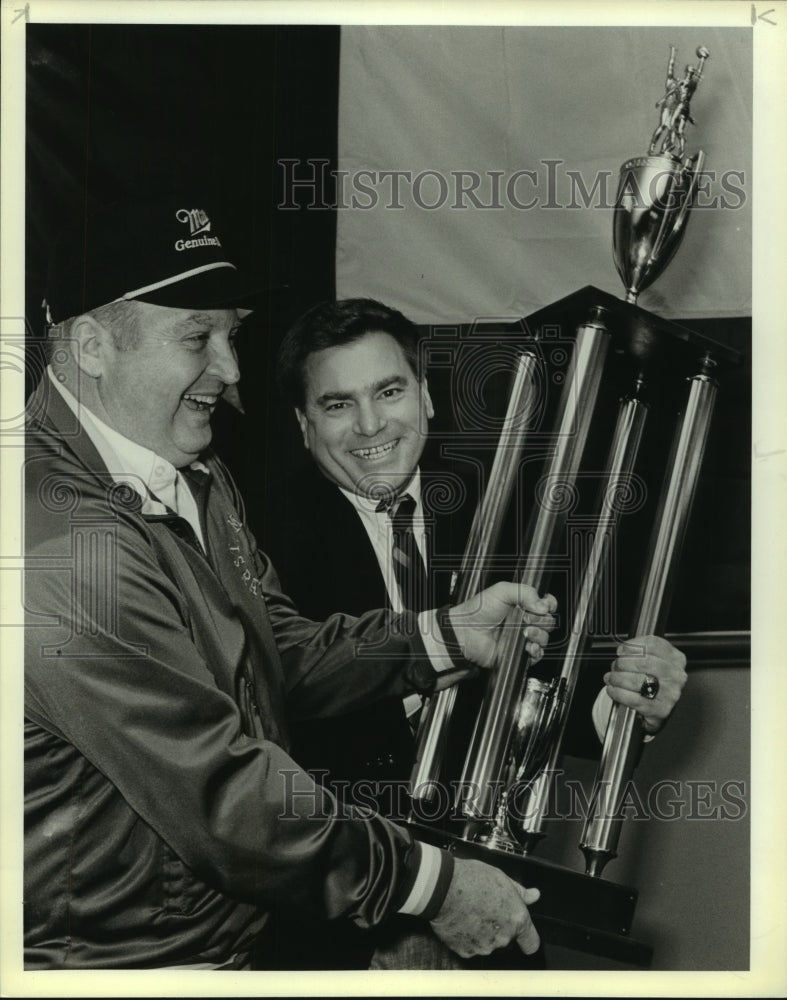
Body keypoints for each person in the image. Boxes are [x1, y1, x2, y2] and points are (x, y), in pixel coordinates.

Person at [23, 201, 561, 970]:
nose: (232, 370)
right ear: (92, 347)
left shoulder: (193, 477)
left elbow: (276, 655)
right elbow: (221, 797)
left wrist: (443, 633)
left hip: (225, 944)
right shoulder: (66, 543)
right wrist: (431, 885)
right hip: (121, 966)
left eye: (231, 335)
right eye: (196, 339)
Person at [265, 297, 689, 969]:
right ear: (303, 423)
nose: (370, 425)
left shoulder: (511, 517)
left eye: (389, 390)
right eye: (337, 404)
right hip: (333, 934)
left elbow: (554, 697)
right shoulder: (255, 538)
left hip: (489, 920)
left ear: (426, 396)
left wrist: (624, 704)